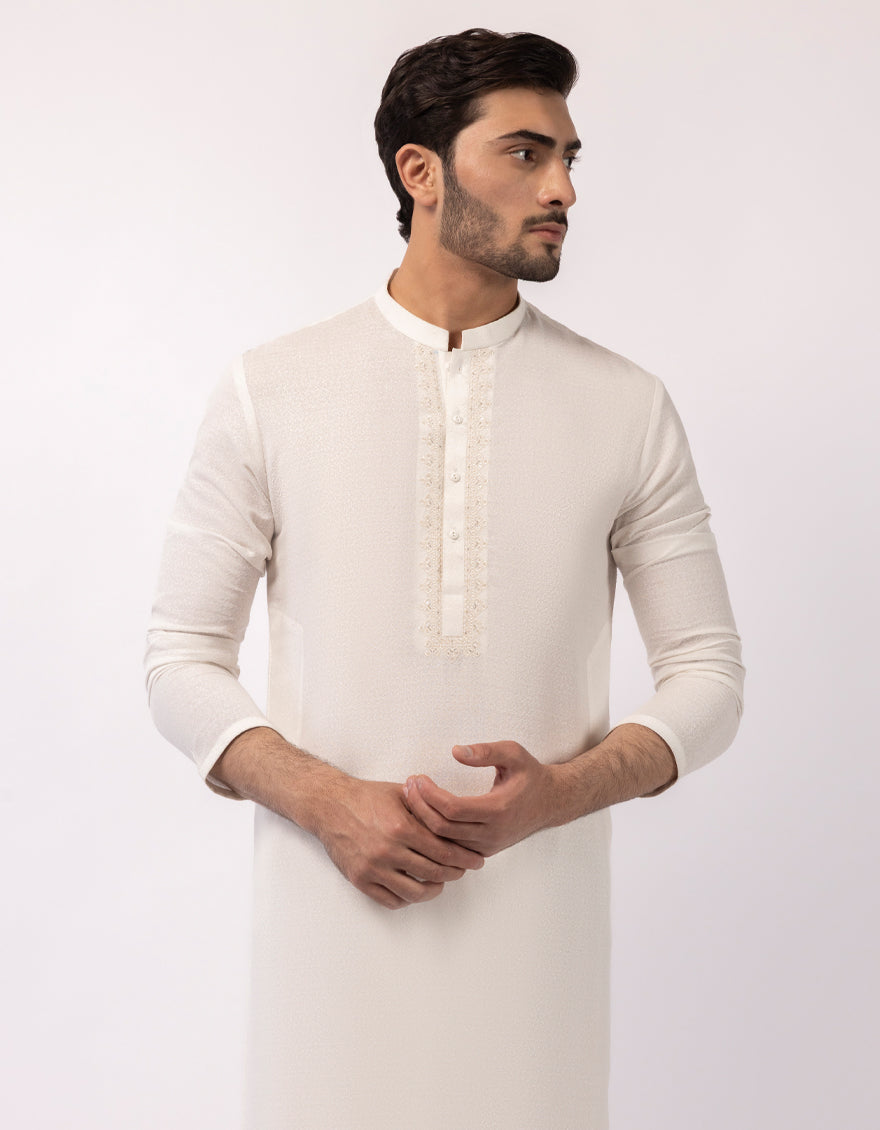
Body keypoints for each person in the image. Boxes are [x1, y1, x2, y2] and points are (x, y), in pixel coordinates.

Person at [145, 27, 744, 1130]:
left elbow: (708, 675)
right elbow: (180, 659)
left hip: (539, 964)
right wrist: (325, 800)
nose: (562, 188)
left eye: (568, 157)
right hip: (325, 950)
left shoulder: (626, 405)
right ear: (420, 172)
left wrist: (562, 793)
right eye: (525, 153)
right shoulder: (272, 389)